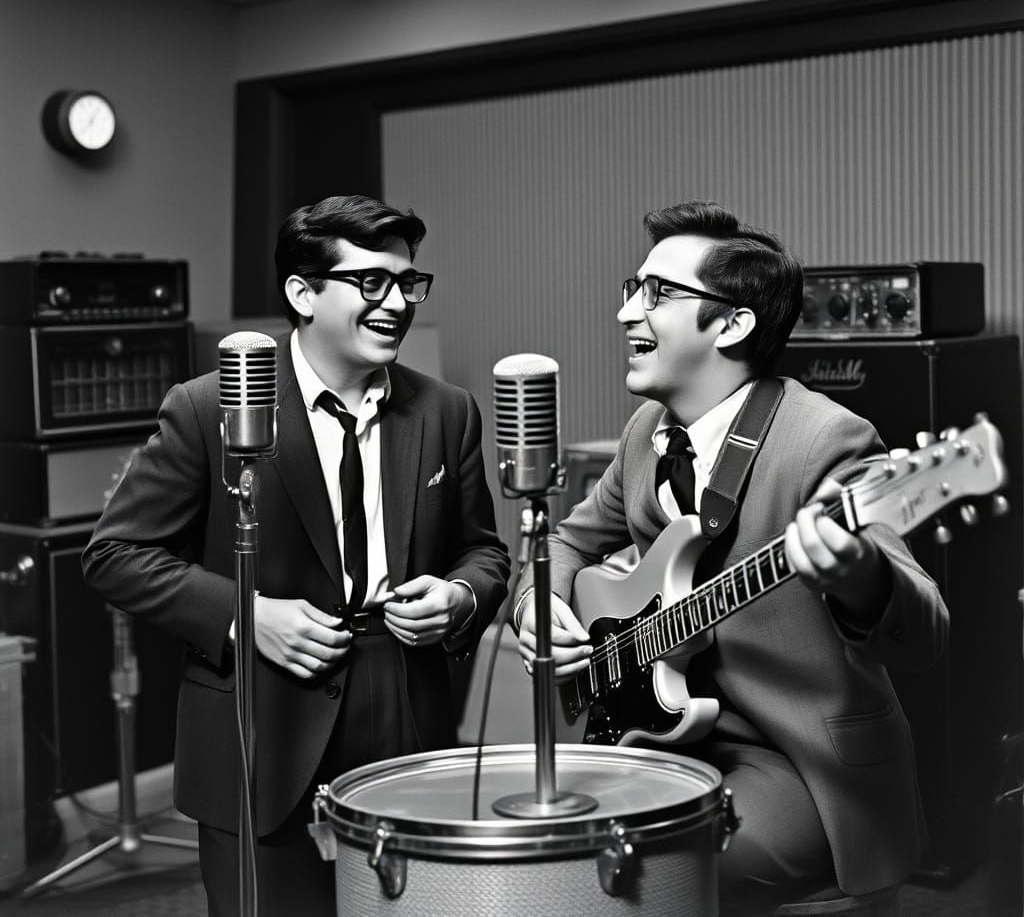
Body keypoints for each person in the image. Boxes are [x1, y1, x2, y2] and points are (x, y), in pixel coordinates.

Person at [82, 194, 511, 916]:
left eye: (409, 284)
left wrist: (461, 597)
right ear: (302, 293)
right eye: (371, 283)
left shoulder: (448, 410)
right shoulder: (208, 408)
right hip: (262, 716)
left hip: (405, 703)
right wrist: (247, 616)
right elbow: (115, 554)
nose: (397, 303)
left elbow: (484, 551)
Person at [514, 201, 948, 914]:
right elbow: (566, 542)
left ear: (734, 322)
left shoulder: (826, 439)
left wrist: (860, 578)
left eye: (656, 294)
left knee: (637, 870)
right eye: (632, 288)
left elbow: (925, 629)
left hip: (798, 762)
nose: (627, 313)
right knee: (544, 834)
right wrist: (544, 606)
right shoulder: (645, 431)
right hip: (668, 732)